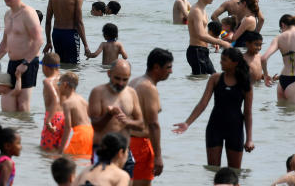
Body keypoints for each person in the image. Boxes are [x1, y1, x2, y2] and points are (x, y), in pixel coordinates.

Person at [173, 48, 254, 169]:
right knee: (213, 170)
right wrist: (187, 123)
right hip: (214, 128)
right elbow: (202, 104)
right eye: (221, 59)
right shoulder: (215, 78)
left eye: (224, 60)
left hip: (235, 129)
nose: (221, 62)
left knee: (234, 172)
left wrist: (249, 139)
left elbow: (247, 114)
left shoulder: (245, 83)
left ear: (235, 63)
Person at [88, 60, 143, 177]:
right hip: (103, 151)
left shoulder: (131, 93)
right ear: (109, 74)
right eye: (117, 78)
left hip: (124, 152)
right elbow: (95, 126)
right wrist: (109, 114)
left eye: (125, 79)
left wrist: (127, 121)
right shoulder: (98, 92)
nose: (121, 83)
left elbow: (141, 124)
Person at [0, 0, 44, 112]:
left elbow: (38, 40)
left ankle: (25, 131)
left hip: (28, 62)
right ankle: (12, 129)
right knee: (9, 105)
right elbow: (5, 43)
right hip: (13, 62)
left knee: (22, 105)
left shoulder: (28, 13)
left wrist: (25, 63)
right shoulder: (8, 15)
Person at [129, 48, 173, 185]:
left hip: (128, 142)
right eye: (168, 67)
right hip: (140, 145)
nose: (171, 71)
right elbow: (153, 124)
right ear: (156, 67)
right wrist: (158, 156)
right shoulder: (149, 88)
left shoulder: (135, 81)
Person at [44, 0, 88, 64]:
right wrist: (86, 45)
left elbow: (48, 21)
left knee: (60, 65)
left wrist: (48, 41)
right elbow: (79, 22)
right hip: (70, 35)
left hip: (56, 34)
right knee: (73, 66)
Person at [187, 0, 231, 74]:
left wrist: (213, 40)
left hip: (203, 51)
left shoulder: (203, 9)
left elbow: (204, 32)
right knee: (199, 82)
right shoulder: (196, 11)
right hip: (196, 51)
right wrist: (221, 42)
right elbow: (200, 35)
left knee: (214, 76)